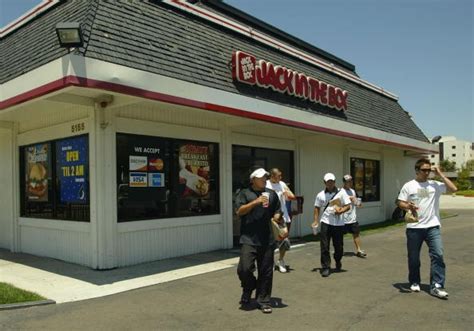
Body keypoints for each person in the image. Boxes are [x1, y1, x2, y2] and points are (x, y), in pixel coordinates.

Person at [397, 158, 457, 299]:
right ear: (417, 170)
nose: (427, 173)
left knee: (438, 255)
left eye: (429, 170)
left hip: (432, 227)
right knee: (414, 258)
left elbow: (453, 189)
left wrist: (440, 174)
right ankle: (414, 281)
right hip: (414, 227)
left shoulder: (434, 185)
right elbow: (400, 202)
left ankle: (437, 286)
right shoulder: (409, 186)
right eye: (424, 170)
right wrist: (408, 206)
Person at [235, 168, 282, 313]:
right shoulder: (244, 193)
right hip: (248, 238)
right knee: (244, 268)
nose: (264, 180)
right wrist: (256, 202)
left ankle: (263, 300)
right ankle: (249, 286)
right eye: (261, 177)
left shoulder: (272, 194)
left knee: (266, 271)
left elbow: (278, 209)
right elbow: (239, 211)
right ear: (253, 179)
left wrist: (277, 216)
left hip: (267, 238)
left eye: (265, 177)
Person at [312, 173, 351, 277]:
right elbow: (316, 208)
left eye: (332, 181)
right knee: (324, 246)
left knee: (339, 247)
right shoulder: (320, 195)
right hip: (325, 222)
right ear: (325, 183)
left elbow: (348, 206)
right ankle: (326, 267)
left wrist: (341, 210)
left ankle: (338, 259)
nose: (330, 183)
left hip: (338, 224)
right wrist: (315, 220)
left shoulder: (341, 193)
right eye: (328, 182)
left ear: (334, 182)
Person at [266, 168, 296, 273]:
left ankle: (281, 260)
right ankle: (270, 261)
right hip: (271, 217)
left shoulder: (282, 184)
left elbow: (292, 196)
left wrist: (287, 193)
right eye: (279, 175)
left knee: (283, 240)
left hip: (283, 216)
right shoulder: (266, 185)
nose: (280, 177)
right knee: (270, 241)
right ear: (272, 176)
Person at [342, 174, 367, 258]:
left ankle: (359, 250)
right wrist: (349, 199)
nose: (350, 183)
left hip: (352, 218)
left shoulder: (353, 191)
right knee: (340, 236)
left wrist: (356, 201)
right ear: (344, 182)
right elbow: (337, 203)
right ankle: (340, 250)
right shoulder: (340, 191)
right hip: (343, 219)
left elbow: (358, 204)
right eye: (348, 181)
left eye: (351, 181)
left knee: (356, 234)